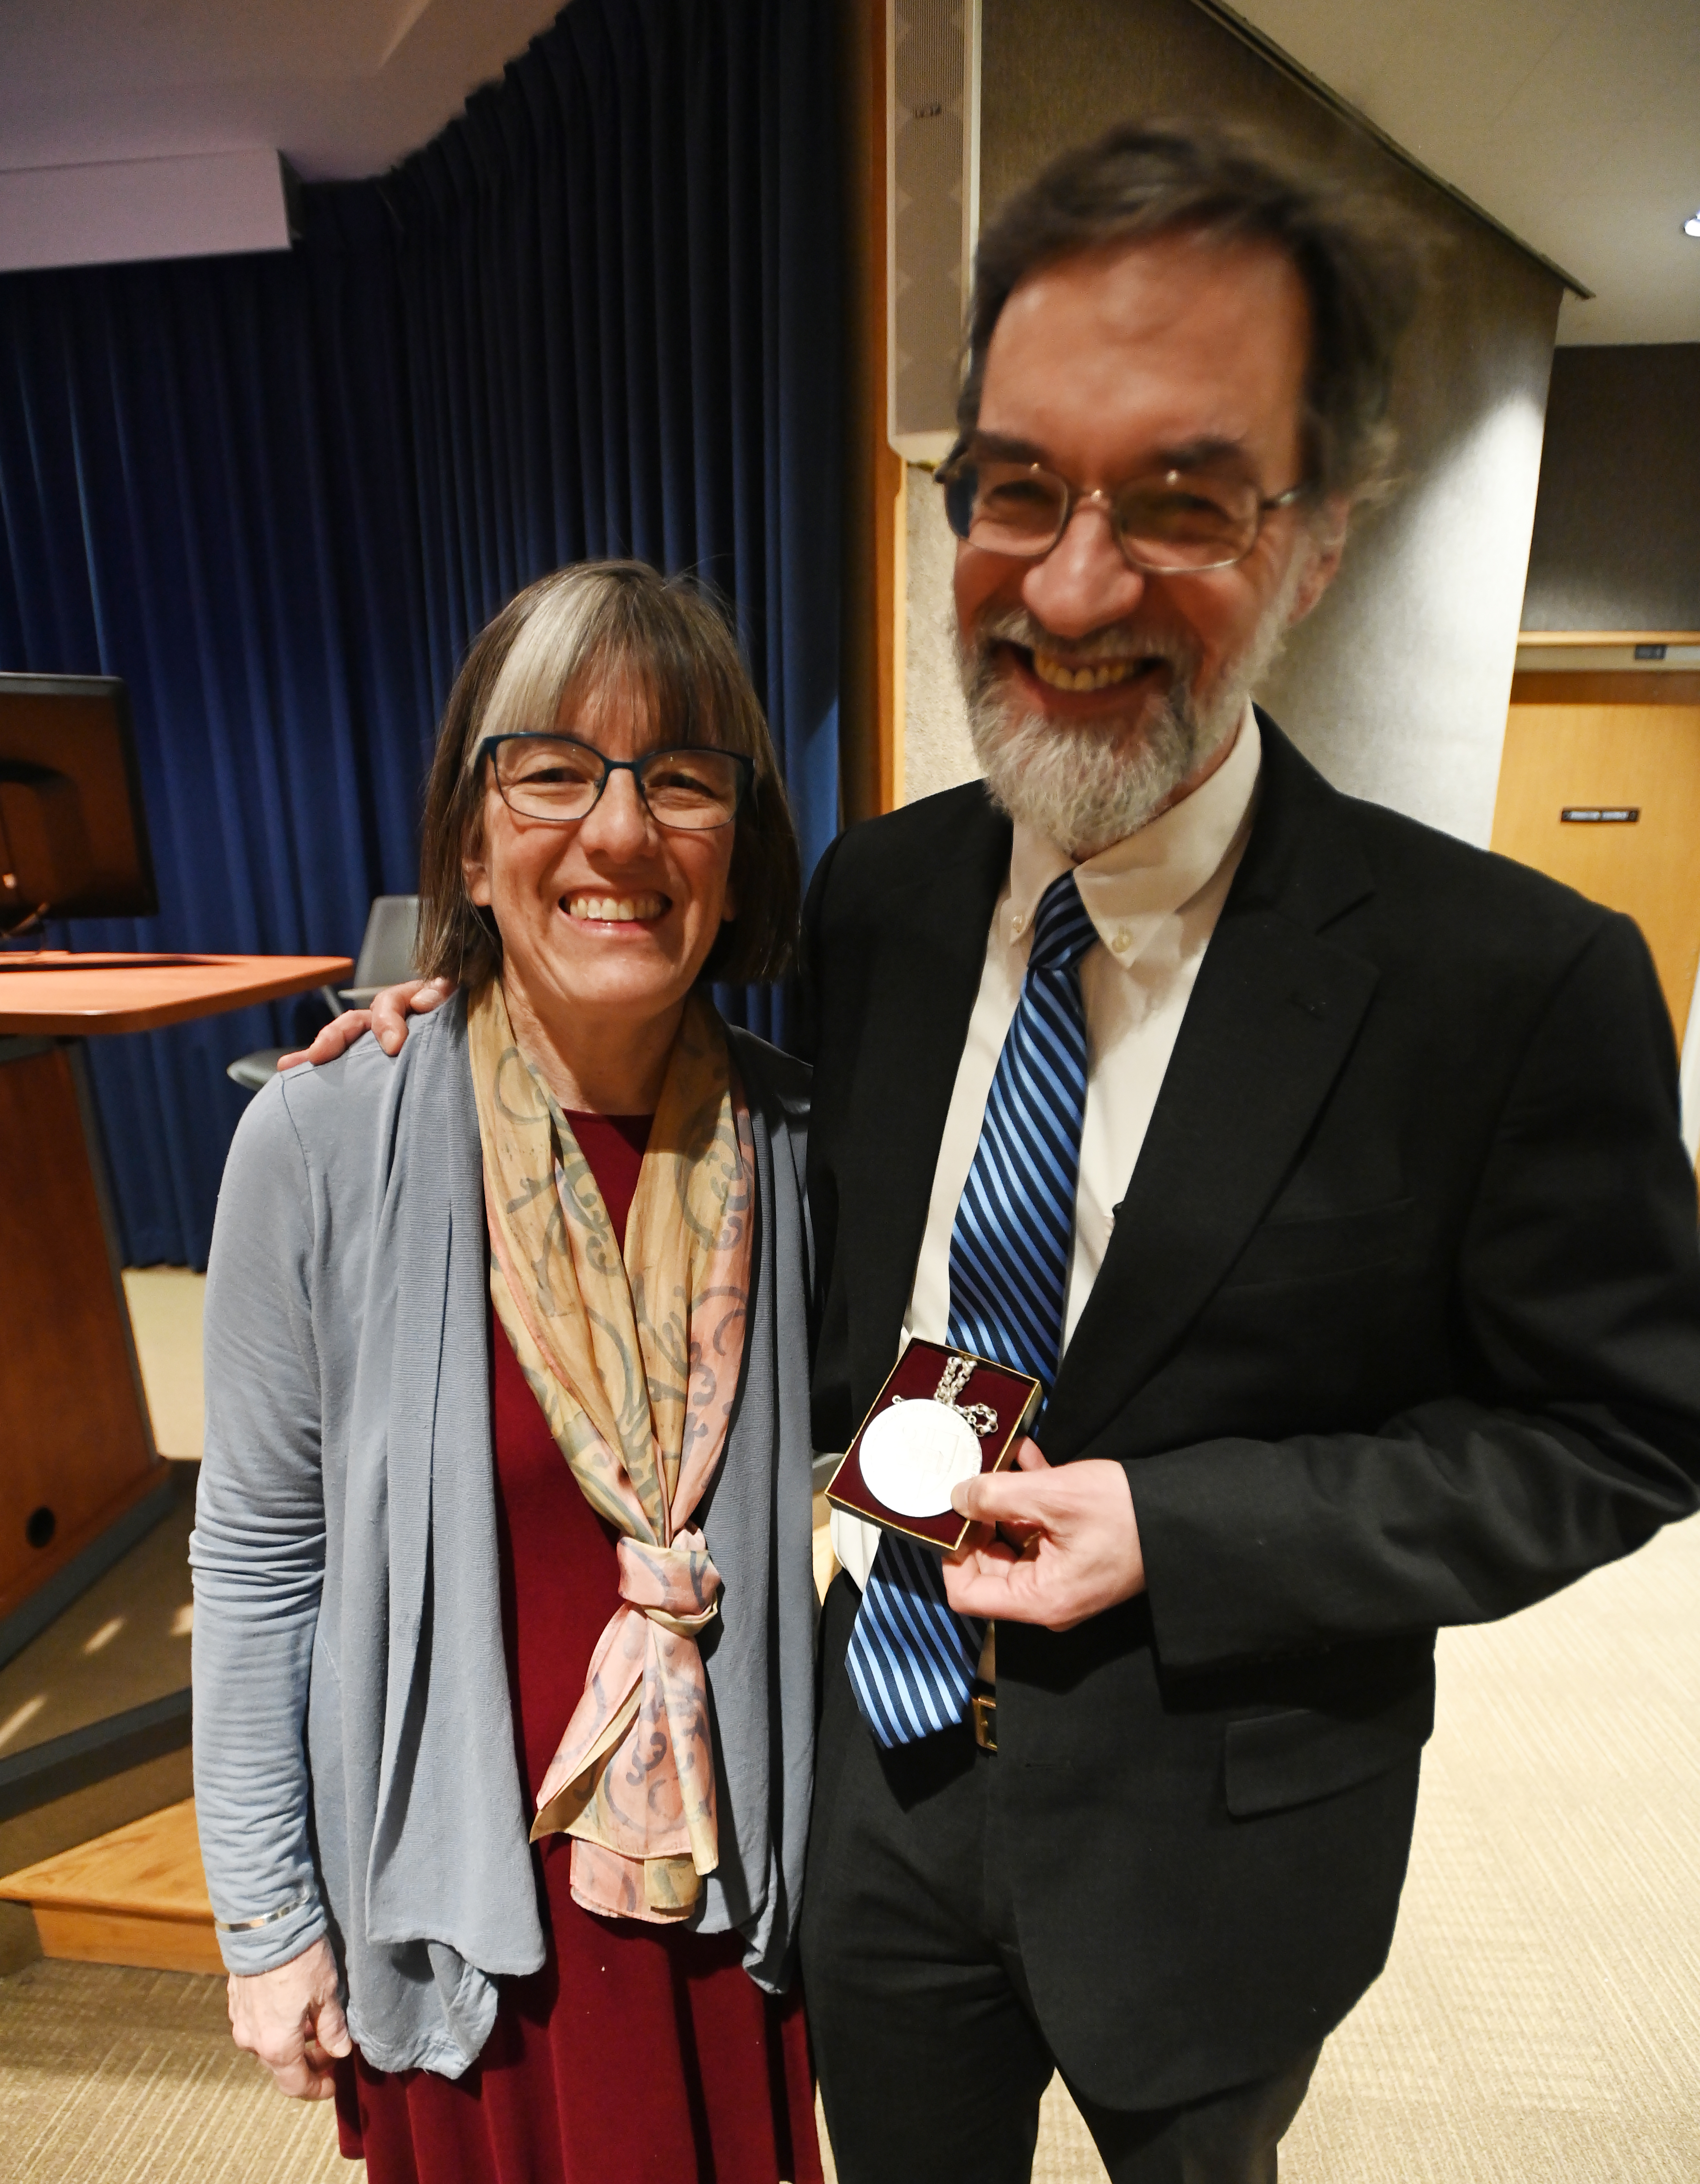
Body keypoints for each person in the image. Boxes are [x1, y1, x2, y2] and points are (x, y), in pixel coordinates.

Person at [297, 124, 1700, 2184]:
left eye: (1183, 500)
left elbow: (1616, 1432)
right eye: (1016, 492)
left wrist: (1185, 1524)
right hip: (873, 1789)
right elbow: (660, 1050)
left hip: (1225, 1837)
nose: (1072, 580)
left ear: (1310, 546)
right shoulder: (873, 895)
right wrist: (444, 1004)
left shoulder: (1511, 976)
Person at [192, 561, 823, 2184]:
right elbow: (260, 1565)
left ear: (739, 852)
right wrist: (268, 1916)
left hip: (727, 1903)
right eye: (553, 771)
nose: (618, 832)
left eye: (681, 778)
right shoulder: (325, 1140)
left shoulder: (804, 1142)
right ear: (473, 842)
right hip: (470, 1929)